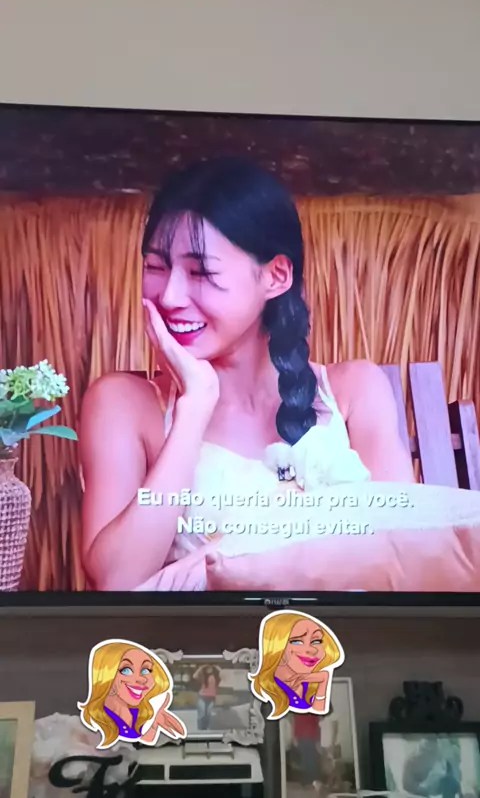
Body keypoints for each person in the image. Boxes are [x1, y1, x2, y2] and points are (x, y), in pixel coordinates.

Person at [79, 155, 480, 593]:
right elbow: (116, 581)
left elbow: (404, 548)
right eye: (156, 267)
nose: (171, 295)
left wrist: (235, 554)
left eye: (201, 272)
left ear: (275, 276)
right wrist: (194, 407)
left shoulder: (355, 391)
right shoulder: (124, 404)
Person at [78, 638, 187, 748]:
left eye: (146, 670)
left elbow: (146, 739)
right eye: (126, 670)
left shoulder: (141, 712)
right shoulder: (95, 721)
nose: (141, 679)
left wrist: (155, 720)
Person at [249, 611, 344, 718]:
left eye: (316, 641)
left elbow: (322, 716)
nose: (312, 650)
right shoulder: (266, 689)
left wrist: (324, 681)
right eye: (297, 641)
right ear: (276, 646)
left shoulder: (311, 685)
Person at [192, 664, 221, 729]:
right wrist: (201, 667)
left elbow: (223, 675)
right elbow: (194, 676)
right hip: (202, 697)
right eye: (207, 668)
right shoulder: (203, 676)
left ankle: (206, 728)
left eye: (210, 668)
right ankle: (200, 729)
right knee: (202, 714)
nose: (209, 669)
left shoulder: (216, 676)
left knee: (208, 714)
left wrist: (217, 667)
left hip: (212, 697)